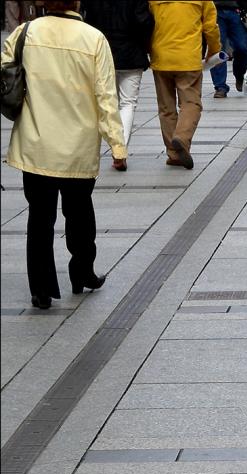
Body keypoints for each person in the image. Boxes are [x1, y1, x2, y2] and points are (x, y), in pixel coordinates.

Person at [2, 0, 127, 310]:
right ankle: (82, 271)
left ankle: (41, 289)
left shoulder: (24, 32)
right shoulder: (93, 38)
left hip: (36, 142)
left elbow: (6, 73)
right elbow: (106, 97)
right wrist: (117, 145)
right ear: (77, 3)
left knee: (39, 216)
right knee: (80, 210)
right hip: (78, 145)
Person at [79, 0, 154, 169]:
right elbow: (144, 22)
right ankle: (120, 150)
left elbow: (87, 21)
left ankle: (99, 148)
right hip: (131, 52)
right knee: (128, 103)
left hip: (102, 52)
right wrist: (146, 46)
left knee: (104, 100)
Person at [148, 0, 221, 170]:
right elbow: (210, 27)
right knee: (191, 103)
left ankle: (173, 154)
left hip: (161, 57)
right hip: (188, 58)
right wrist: (214, 50)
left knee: (166, 108)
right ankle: (181, 137)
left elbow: (146, 21)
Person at [210, 1, 247, 98]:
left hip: (237, 11)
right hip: (216, 10)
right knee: (218, 49)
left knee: (242, 48)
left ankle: (239, 73)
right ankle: (220, 86)